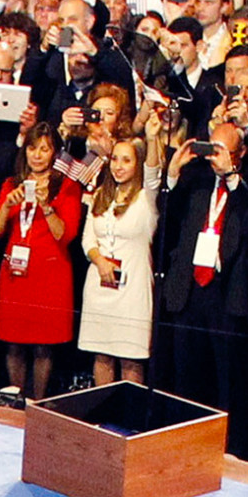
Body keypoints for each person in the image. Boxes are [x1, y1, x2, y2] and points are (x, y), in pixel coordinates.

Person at [0, 123, 83, 400]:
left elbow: (66, 235)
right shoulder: (11, 184)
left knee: (44, 347)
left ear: (54, 153)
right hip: (15, 275)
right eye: (32, 148)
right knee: (14, 345)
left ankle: (38, 403)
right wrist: (6, 206)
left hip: (50, 274)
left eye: (45, 148)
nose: (38, 155)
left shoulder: (67, 187)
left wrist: (47, 206)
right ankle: (17, 400)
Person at [78, 133, 163, 385]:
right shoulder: (101, 195)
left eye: (126, 160)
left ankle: (129, 419)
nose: (118, 165)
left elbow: (154, 171)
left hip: (132, 290)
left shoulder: (147, 199)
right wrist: (100, 261)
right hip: (99, 286)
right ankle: (102, 417)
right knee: (102, 357)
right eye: (115, 159)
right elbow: (87, 240)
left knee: (131, 360)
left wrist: (153, 135)